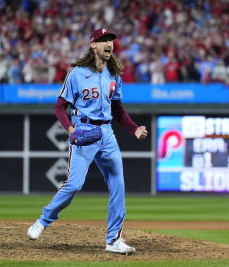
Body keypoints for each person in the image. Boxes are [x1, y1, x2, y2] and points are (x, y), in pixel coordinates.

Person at [27, 28, 148, 254]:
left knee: (118, 185)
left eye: (110, 39)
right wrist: (71, 129)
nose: (108, 43)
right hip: (84, 131)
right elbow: (59, 106)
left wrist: (134, 129)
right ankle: (43, 220)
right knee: (74, 184)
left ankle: (113, 240)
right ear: (93, 45)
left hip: (107, 134)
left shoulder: (115, 75)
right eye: (103, 40)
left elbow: (118, 109)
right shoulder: (77, 73)